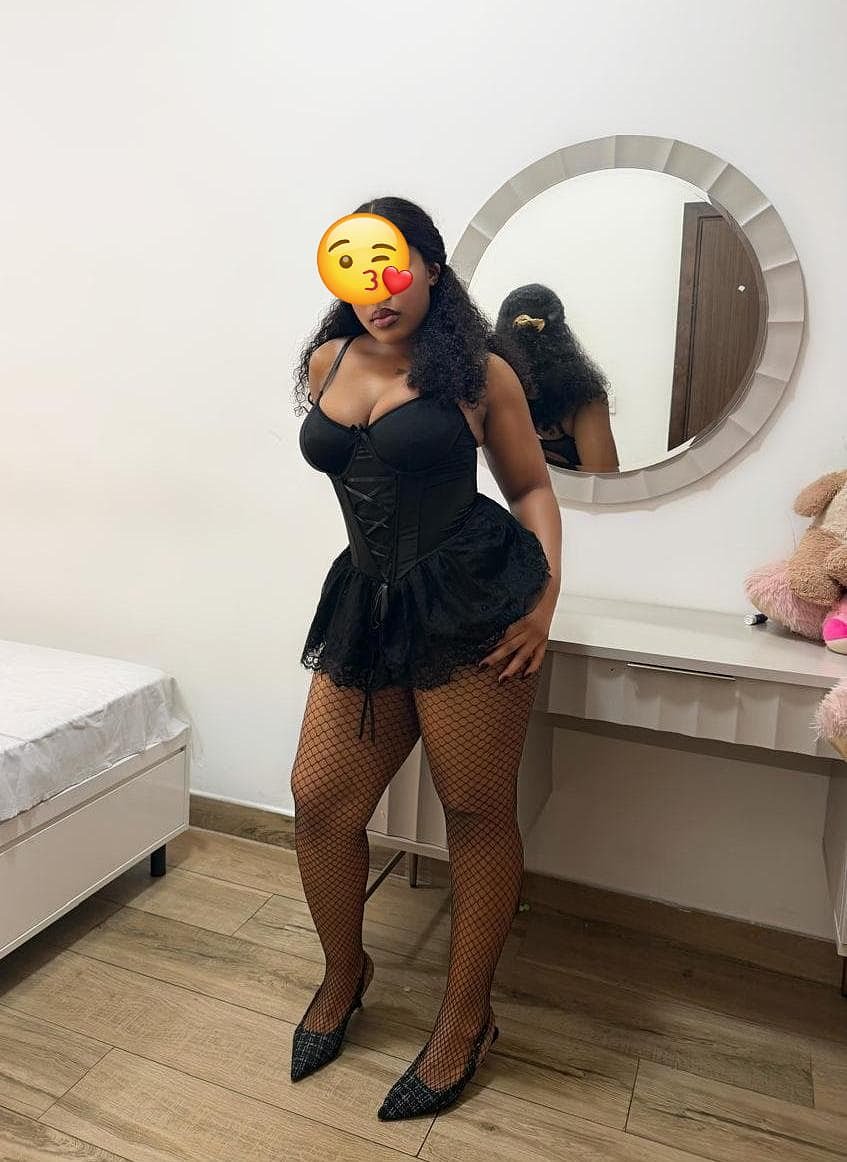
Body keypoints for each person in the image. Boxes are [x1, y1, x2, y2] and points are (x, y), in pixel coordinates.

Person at [291, 196, 562, 1121]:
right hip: (368, 600)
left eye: (392, 267)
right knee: (320, 802)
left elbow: (530, 489)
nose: (376, 290)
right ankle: (345, 973)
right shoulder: (328, 360)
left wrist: (543, 604)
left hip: (473, 596)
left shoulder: (478, 371)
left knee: (475, 812)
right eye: (354, 271)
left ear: (432, 269)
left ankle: (465, 1020)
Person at [495, 283, 619, 472]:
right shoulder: (585, 399)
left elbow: (604, 482)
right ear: (562, 335)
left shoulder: (584, 399)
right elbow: (605, 481)